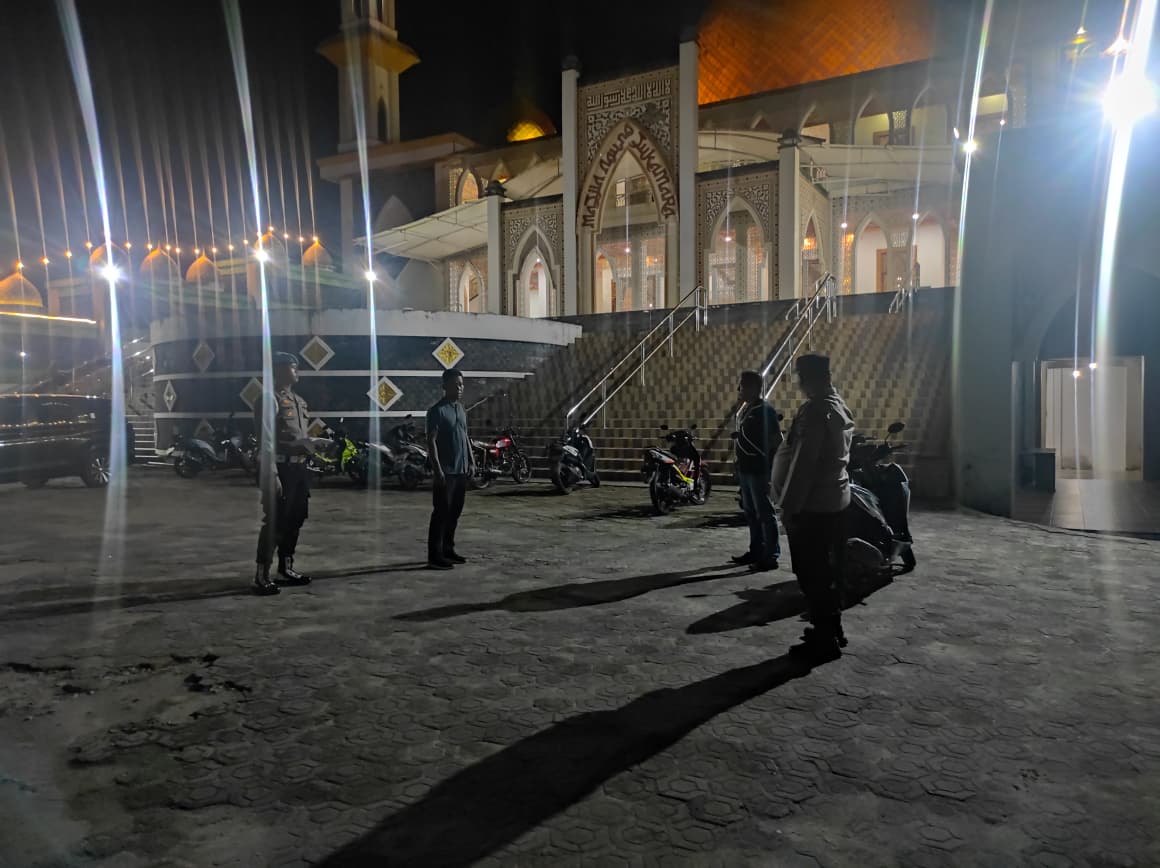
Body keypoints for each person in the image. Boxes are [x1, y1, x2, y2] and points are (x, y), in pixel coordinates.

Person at [772, 353, 855, 662]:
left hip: (813, 506)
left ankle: (825, 639)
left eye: (800, 378)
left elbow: (804, 464)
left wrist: (790, 507)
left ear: (807, 378)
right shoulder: (838, 404)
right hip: (834, 500)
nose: (799, 384)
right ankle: (832, 629)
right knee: (828, 571)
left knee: (812, 573)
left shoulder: (816, 410)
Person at [252, 352, 325, 596]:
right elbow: (266, 439)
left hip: (299, 468)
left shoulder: (298, 401)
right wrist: (271, 473)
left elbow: (297, 437)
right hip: (280, 468)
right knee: (276, 521)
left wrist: (314, 444)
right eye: (293, 367)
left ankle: (286, 567)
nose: (297, 371)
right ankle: (262, 574)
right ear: (279, 370)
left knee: (296, 518)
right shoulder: (268, 399)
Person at [731, 370, 783, 572]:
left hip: (759, 471)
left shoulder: (765, 410)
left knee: (765, 513)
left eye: (742, 386)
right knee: (751, 512)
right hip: (746, 470)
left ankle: (771, 555)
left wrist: (771, 470)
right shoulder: (748, 409)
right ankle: (756, 550)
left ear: (753, 388)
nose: (739, 389)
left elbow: (776, 441)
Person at [426, 368, 474, 570]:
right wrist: (437, 469)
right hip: (446, 472)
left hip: (461, 470)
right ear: (444, 386)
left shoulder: (461, 409)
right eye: (455, 385)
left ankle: (448, 549)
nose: (459, 388)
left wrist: (471, 460)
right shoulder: (437, 411)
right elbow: (431, 441)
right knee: (441, 513)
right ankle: (434, 556)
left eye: (461, 384)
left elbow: (465, 436)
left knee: (454, 513)